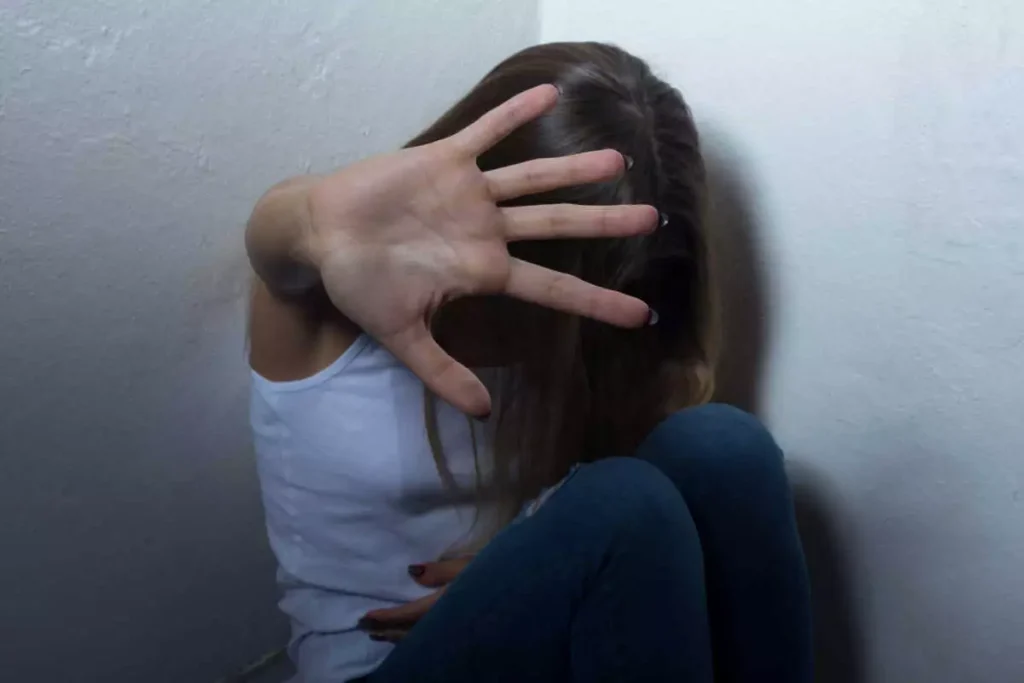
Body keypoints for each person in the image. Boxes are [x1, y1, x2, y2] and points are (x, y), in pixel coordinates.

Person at [246, 42, 812, 683]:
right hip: (377, 668)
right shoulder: (327, 304)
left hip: (559, 648)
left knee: (723, 447)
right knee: (621, 508)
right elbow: (274, 246)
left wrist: (525, 567)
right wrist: (313, 219)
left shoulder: (600, 332)